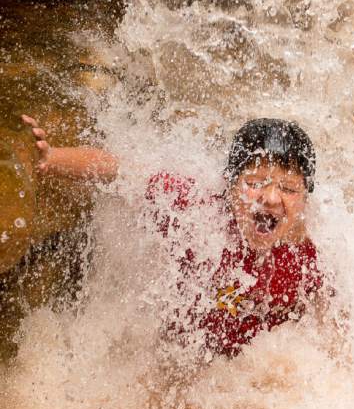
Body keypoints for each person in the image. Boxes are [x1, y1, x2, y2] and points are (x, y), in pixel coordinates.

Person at [22, 115, 331, 358]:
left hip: (250, 376)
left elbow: (332, 326)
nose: (272, 198)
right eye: (255, 182)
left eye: (289, 189)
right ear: (229, 185)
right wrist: (52, 157)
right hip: (186, 360)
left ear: (305, 199)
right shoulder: (196, 214)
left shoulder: (314, 251)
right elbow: (117, 169)